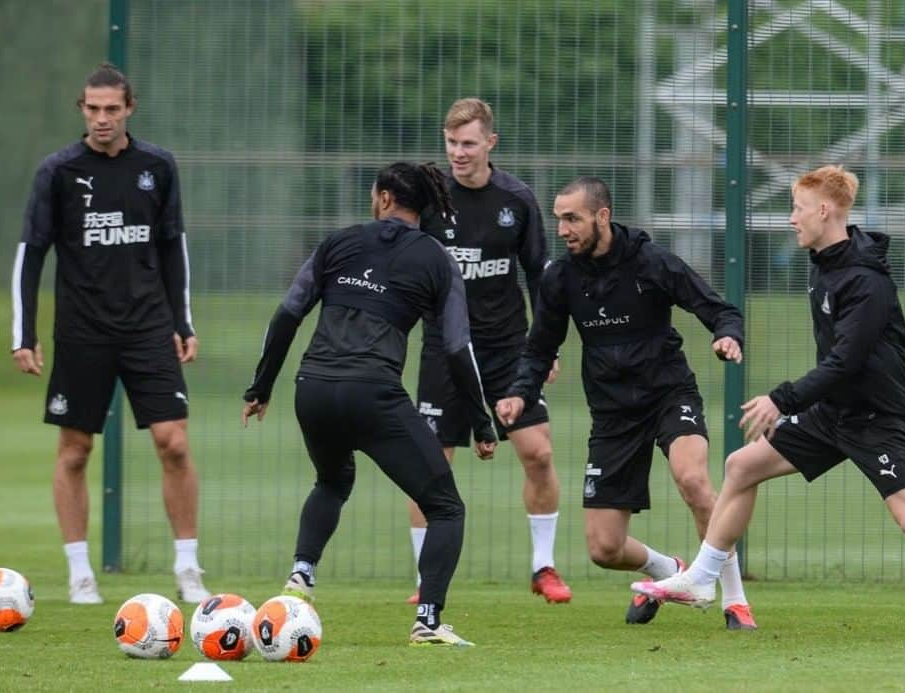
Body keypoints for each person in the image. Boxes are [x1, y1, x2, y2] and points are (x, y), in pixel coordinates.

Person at [633, 165, 905, 642]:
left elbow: (846, 359)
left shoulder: (862, 278)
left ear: (824, 210)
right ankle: (700, 578)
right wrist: (890, 367)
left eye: (797, 209)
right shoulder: (827, 266)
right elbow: (878, 341)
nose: (791, 219)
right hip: (832, 414)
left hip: (874, 420)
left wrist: (781, 399)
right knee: (741, 466)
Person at [241, 161, 498, 648]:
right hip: (373, 393)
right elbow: (457, 348)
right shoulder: (438, 259)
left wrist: (260, 387)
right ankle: (427, 620)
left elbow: (288, 314)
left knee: (333, 480)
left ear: (382, 199)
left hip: (311, 388)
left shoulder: (337, 242)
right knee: (445, 508)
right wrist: (482, 424)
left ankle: (302, 574)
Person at [496, 176, 757, 629]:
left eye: (572, 218)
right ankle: (669, 573)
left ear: (602, 216)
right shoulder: (560, 278)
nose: (563, 230)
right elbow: (539, 349)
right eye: (558, 219)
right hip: (613, 413)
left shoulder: (652, 262)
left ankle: (733, 600)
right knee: (604, 549)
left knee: (693, 480)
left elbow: (718, 308)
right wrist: (520, 393)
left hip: (668, 393)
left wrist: (726, 335)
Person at [10, 63, 209, 605]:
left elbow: (174, 248)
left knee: (173, 442)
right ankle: (80, 574)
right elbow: (31, 256)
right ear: (82, 109)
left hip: (147, 327)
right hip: (82, 331)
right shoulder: (58, 172)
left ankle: (188, 567)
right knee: (74, 450)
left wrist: (181, 320)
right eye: (93, 109)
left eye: (112, 109)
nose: (102, 119)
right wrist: (23, 333)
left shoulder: (157, 167)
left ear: (129, 110)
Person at [408, 97, 571, 604]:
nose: (459, 152)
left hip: (507, 349)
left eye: (469, 143)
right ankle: (424, 578)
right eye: (452, 142)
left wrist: (545, 351)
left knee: (538, 452)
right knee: (430, 464)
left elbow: (540, 276)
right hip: (444, 348)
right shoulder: (429, 200)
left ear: (490, 144)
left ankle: (543, 566)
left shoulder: (516, 200)